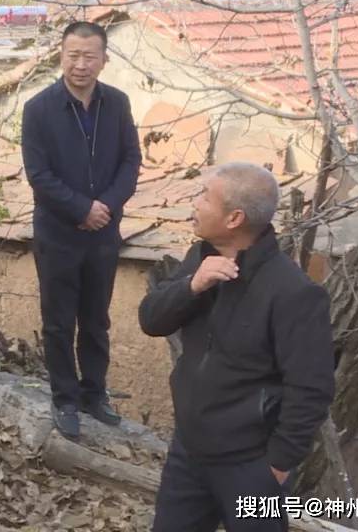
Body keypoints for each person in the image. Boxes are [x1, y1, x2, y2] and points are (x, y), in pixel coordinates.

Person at [139, 162, 335, 532]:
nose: (194, 203)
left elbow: (312, 389)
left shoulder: (294, 293)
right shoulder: (200, 259)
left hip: (251, 467)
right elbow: (152, 321)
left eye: (204, 197)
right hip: (189, 454)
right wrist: (191, 286)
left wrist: (276, 466)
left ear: (234, 218)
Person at [21, 21, 142, 439]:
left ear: (104, 60)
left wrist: (105, 207)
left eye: (90, 56)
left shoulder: (118, 104)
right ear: (61, 56)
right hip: (58, 233)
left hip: (103, 233)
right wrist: (80, 209)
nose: (81, 64)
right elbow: (38, 174)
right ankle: (64, 399)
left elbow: (131, 162)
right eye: (73, 54)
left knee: (96, 319)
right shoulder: (39, 109)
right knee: (58, 321)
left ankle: (95, 393)